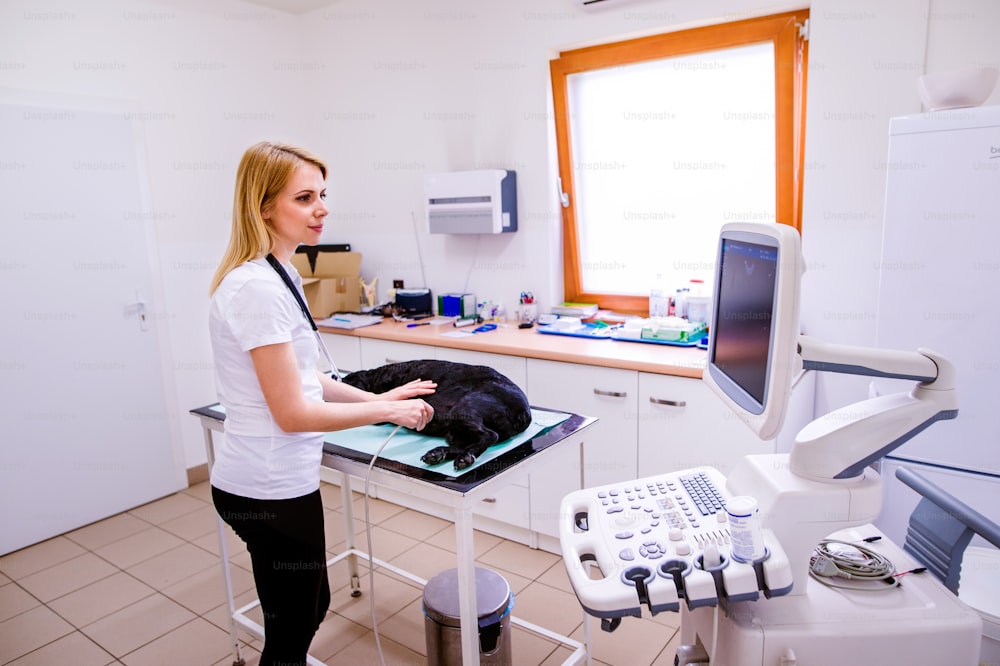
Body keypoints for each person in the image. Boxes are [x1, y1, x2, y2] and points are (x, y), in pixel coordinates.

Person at [207, 141, 436, 666]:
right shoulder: (257, 289)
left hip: (279, 482)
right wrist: (388, 412)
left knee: (311, 607)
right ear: (264, 207)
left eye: (323, 194)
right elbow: (293, 413)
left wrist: (376, 396)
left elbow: (305, 377)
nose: (323, 208)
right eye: (305, 197)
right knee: (292, 632)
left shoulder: (278, 272)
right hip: (267, 490)